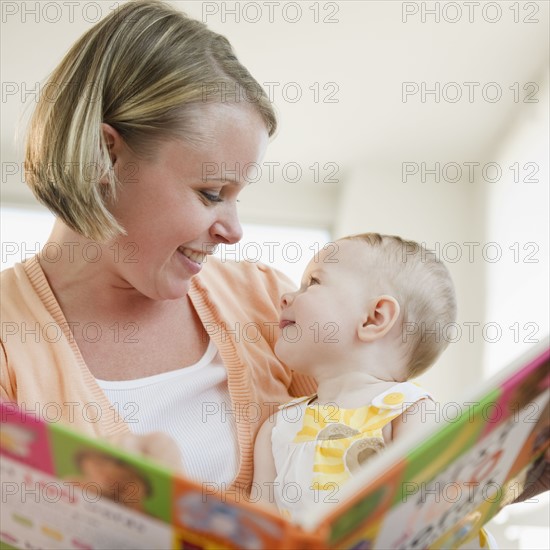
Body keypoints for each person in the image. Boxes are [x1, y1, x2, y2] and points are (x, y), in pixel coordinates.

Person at [0, 0, 315, 497]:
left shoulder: (272, 305)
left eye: (236, 198)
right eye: (212, 193)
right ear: (106, 157)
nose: (233, 231)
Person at [252, 233, 501, 549]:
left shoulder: (412, 411)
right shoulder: (277, 428)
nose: (286, 297)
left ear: (374, 318)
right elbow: (258, 530)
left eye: (312, 282)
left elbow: (426, 516)